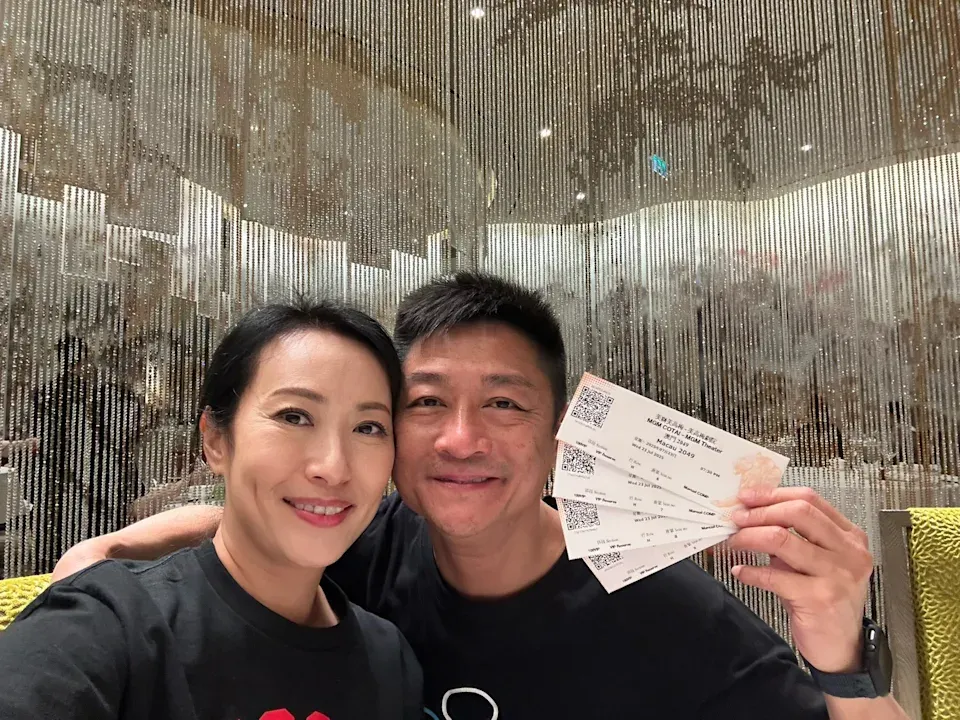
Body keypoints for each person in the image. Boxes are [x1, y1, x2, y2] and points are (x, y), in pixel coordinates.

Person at [54, 273, 907, 720]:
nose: (460, 440)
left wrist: (843, 656)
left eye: (503, 404)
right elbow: (261, 514)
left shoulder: (664, 610)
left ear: (559, 436)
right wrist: (113, 551)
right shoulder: (372, 544)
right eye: (425, 404)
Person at [0, 301, 423, 720]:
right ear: (216, 440)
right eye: (294, 417)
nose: (333, 468)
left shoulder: (389, 661)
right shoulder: (108, 623)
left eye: (368, 427)